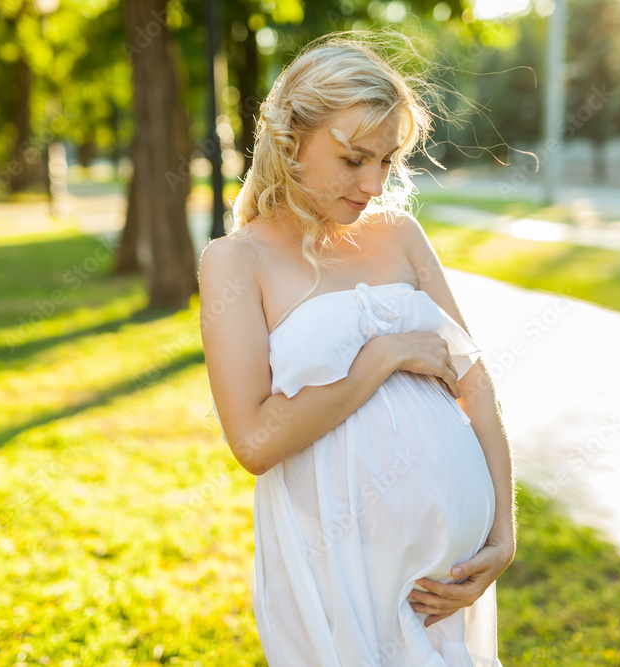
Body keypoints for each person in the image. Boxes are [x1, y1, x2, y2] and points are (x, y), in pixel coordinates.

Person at [198, 30, 517, 666]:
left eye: (387, 161)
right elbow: (254, 442)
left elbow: (474, 383)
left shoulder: (399, 234)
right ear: (291, 141)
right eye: (352, 160)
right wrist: (383, 359)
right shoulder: (237, 262)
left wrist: (503, 532)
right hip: (336, 566)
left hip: (444, 583)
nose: (374, 183)